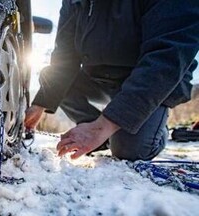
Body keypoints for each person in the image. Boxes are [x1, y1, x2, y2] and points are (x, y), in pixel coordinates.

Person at [24, 0, 199, 161]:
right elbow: (65, 56)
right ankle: (97, 133)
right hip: (99, 79)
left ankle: (153, 128)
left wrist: (103, 126)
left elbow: (167, 57)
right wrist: (41, 103)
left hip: (151, 81)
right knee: (54, 80)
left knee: (130, 150)